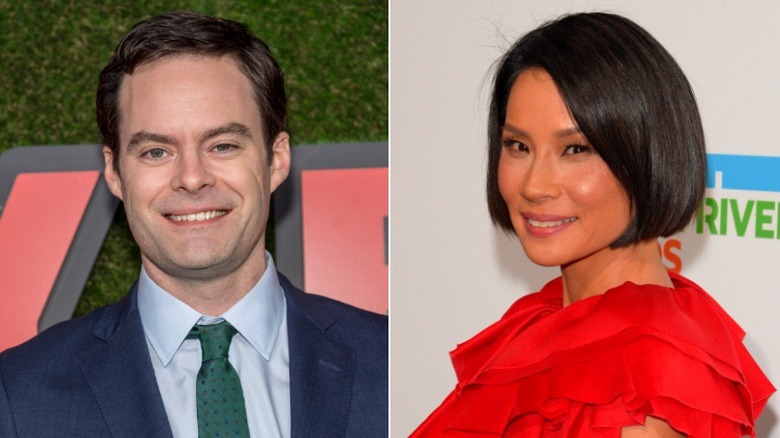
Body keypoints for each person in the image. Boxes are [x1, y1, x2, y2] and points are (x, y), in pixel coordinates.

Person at [0, 11, 387, 438]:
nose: (191, 177)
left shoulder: (391, 360)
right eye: (155, 152)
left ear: (276, 159)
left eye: (222, 145)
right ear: (114, 173)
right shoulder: (17, 395)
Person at [412, 12, 773, 437]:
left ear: (647, 155)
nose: (534, 185)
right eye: (518, 145)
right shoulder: (544, 325)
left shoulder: (642, 392)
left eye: (576, 149)